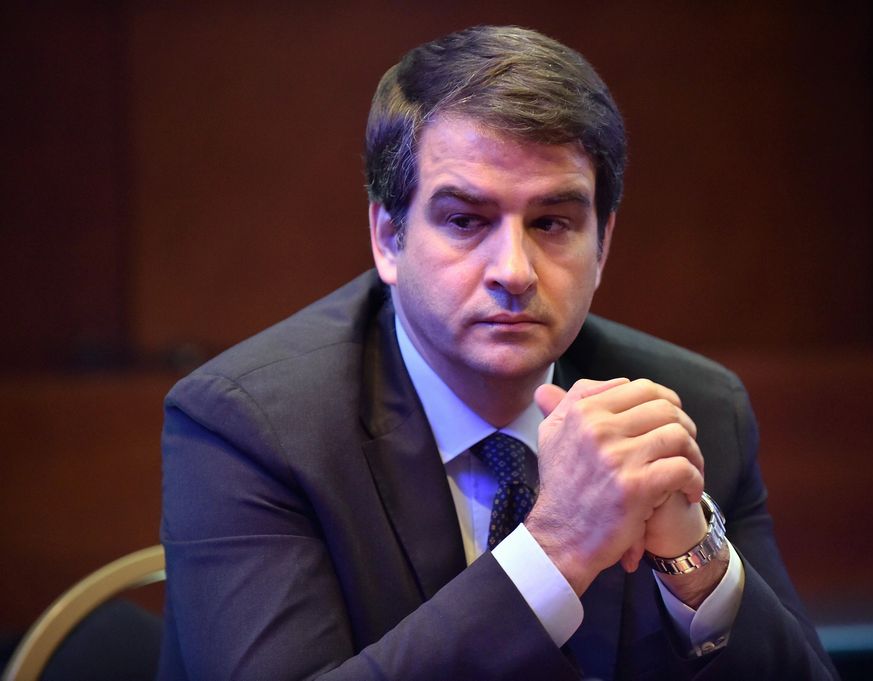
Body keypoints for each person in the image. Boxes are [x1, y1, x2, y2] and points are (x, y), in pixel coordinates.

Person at [158, 25, 838, 680]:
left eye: (551, 223)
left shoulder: (692, 412)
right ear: (388, 238)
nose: (513, 271)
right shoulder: (252, 427)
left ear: (602, 244)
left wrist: (697, 566)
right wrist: (556, 547)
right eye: (465, 220)